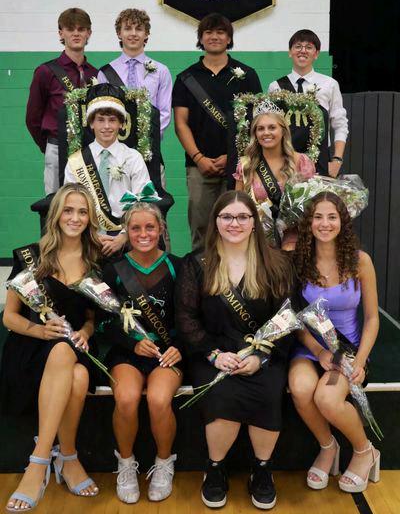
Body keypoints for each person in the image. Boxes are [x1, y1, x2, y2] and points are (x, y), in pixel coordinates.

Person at [175, 190, 295, 510]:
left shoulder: (276, 263)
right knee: (221, 394)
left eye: (243, 216)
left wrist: (261, 358)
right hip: (213, 353)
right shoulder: (196, 263)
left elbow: (286, 318)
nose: (234, 223)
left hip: (262, 353)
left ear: (254, 222)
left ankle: (262, 470)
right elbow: (186, 318)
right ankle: (215, 469)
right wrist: (214, 355)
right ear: (215, 221)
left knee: (268, 390)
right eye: (227, 216)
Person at [1, 183, 102, 512]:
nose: (75, 218)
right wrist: (40, 331)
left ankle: (58, 459)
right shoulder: (30, 256)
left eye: (83, 212)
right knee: (64, 356)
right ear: (56, 214)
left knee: (78, 373)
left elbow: (92, 318)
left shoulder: (95, 260)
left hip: (75, 347)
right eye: (68, 210)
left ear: (90, 218)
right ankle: (47, 459)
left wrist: (86, 331)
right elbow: (9, 317)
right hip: (32, 348)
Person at [289, 192, 380, 493]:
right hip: (309, 347)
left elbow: (372, 318)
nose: (324, 223)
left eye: (332, 217)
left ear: (343, 221)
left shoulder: (360, 261)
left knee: (327, 398)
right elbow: (294, 318)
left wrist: (360, 360)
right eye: (318, 217)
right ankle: (328, 446)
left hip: (346, 350)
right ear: (308, 222)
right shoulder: (299, 261)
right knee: (301, 389)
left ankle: (365, 451)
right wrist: (317, 350)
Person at [99, 201, 182, 503]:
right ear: (126, 231)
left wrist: (179, 347)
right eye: (135, 228)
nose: (143, 233)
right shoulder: (113, 270)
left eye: (150, 227)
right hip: (128, 352)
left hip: (167, 352)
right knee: (126, 398)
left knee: (159, 399)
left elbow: (191, 316)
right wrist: (131, 343)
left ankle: (164, 462)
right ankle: (126, 463)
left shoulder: (178, 266)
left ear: (161, 229)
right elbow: (103, 322)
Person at [173, 13, 262, 251]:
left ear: (229, 38)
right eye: (209, 32)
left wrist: (233, 156)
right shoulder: (186, 78)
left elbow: (256, 123)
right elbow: (181, 124)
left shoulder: (247, 75)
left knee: (239, 226)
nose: (214, 37)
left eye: (221, 32)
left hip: (239, 166)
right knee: (201, 230)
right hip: (198, 167)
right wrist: (199, 158)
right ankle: (200, 273)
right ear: (201, 38)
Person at [64, 83, 151, 257]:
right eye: (100, 120)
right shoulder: (76, 161)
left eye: (112, 120)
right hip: (86, 236)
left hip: (126, 236)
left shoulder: (133, 158)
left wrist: (124, 237)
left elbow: (143, 203)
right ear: (91, 123)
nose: (106, 126)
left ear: (121, 124)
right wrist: (91, 236)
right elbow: (70, 205)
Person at [26, 8, 97, 194]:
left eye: (81, 29)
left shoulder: (94, 74)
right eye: (70, 29)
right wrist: (50, 146)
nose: (76, 33)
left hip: (88, 149)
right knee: (55, 203)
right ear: (61, 33)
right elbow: (32, 118)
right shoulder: (46, 71)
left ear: (89, 33)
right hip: (57, 147)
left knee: (89, 203)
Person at [234, 100, 315, 249]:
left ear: (283, 131)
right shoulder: (246, 165)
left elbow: (312, 206)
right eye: (260, 129)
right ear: (255, 134)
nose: (266, 133)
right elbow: (237, 205)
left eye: (272, 127)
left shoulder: (301, 162)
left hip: (294, 238)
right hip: (258, 239)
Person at [268, 29, 348, 178]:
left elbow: (340, 124)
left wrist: (337, 159)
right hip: (284, 159)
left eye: (309, 47)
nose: (303, 51)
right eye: (298, 46)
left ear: (316, 54)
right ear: (290, 52)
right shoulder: (276, 86)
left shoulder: (329, 84)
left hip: (319, 158)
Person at [97, 8, 173, 141]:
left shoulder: (161, 71)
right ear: (119, 33)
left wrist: (147, 137)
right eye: (127, 28)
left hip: (149, 142)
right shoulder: (105, 73)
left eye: (139, 29)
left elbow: (164, 112)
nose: (133, 33)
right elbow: (102, 112)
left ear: (146, 34)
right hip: (115, 142)